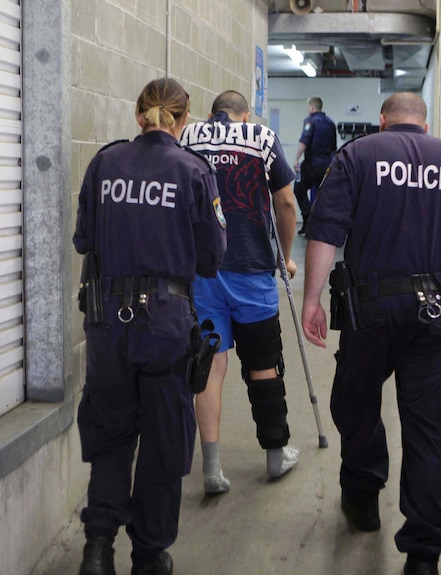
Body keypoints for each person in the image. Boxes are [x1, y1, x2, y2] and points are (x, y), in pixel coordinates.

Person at [300, 92, 441, 575]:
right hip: (437, 310)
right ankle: (423, 552)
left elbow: (325, 233)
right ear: (426, 122)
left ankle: (363, 496)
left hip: (368, 308)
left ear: (382, 120)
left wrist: (311, 300)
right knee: (429, 426)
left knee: (356, 402)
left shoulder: (357, 155)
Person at [73, 78, 227, 575]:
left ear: (138, 115)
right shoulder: (193, 171)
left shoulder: (104, 164)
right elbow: (211, 257)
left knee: (112, 435)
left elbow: (84, 240)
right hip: (164, 324)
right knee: (164, 443)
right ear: (182, 121)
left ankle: (98, 548)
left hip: (106, 325)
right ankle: (149, 555)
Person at [181, 90, 301, 495]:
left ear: (211, 112)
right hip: (251, 269)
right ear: (245, 114)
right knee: (263, 363)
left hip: (203, 271)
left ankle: (212, 469)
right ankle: (274, 453)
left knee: (210, 366)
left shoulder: (189, 136)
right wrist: (285, 257)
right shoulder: (262, 137)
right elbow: (285, 203)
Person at [293, 96, 337, 234]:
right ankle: (320, 225)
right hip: (326, 164)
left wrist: (296, 159)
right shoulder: (330, 123)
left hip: (312, 163)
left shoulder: (310, 121)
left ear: (312, 107)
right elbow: (333, 147)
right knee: (322, 194)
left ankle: (307, 220)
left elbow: (304, 141)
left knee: (299, 189)